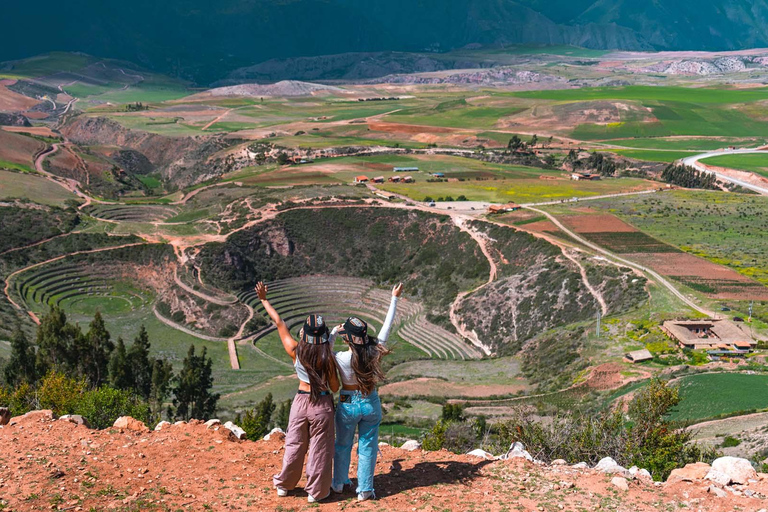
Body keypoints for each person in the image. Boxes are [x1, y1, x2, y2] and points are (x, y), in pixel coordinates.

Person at [256, 281, 340, 503]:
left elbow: (279, 321)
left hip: (301, 402)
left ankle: (285, 485)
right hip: (322, 404)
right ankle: (316, 492)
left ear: (305, 334)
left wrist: (264, 299)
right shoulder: (328, 358)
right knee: (320, 449)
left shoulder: (295, 350)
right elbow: (334, 387)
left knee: (294, 444)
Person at [331, 282, 403, 501]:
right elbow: (386, 328)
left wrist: (334, 331)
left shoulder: (341, 358)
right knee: (368, 447)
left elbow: (325, 349)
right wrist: (394, 298)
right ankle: (365, 490)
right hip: (370, 401)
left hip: (347, 402)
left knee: (342, 444)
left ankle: (339, 483)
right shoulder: (373, 351)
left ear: (348, 338)